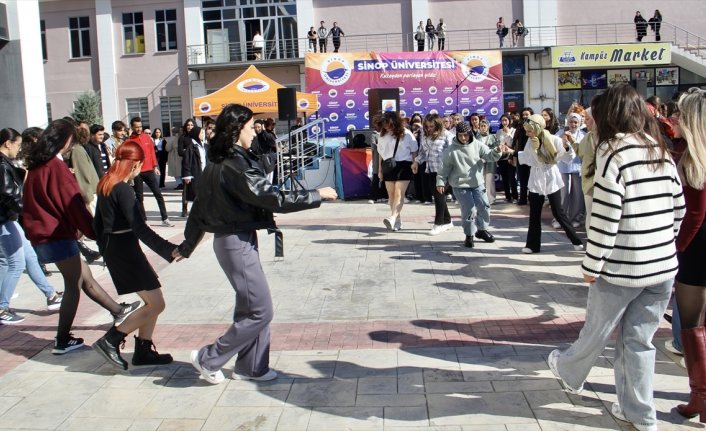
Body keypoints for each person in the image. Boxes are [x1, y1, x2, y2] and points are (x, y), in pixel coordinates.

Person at [547, 83, 685, 431]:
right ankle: (640, 416)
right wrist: (660, 242)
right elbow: (678, 209)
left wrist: (592, 265)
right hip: (662, 267)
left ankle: (567, 370)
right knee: (638, 343)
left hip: (623, 267)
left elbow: (607, 216)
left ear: (608, 116)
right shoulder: (659, 149)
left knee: (597, 331)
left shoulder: (613, 152)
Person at [178, 104, 336, 384]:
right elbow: (270, 197)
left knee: (251, 308)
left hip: (237, 240)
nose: (255, 132)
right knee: (262, 310)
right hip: (235, 242)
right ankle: (208, 358)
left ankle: (252, 367)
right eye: (251, 127)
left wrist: (188, 245)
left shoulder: (222, 160)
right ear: (238, 129)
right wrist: (316, 194)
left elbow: (199, 209)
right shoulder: (234, 165)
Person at [22, 119, 139, 354]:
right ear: (65, 140)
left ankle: (117, 310)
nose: (72, 145)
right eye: (72, 141)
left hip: (46, 235)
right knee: (74, 285)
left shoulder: (37, 166)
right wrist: (95, 232)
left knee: (84, 276)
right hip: (55, 235)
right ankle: (62, 340)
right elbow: (73, 204)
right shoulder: (55, 167)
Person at [91, 141, 180, 370]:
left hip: (117, 248)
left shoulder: (106, 184)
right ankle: (110, 340)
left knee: (153, 300)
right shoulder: (122, 189)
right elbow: (140, 228)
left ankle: (143, 350)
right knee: (156, 304)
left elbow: (96, 225)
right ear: (136, 164)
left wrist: (104, 250)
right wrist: (169, 249)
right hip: (124, 250)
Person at [0, 128, 63, 325]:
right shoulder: (1, 165)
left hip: (8, 218)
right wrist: (31, 209)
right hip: (4, 220)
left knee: (28, 256)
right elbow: (8, 194)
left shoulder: (6, 163)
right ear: (7, 143)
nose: (18, 148)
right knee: (15, 263)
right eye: (17, 144)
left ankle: (51, 295)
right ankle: (2, 308)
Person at [671, 88, 706, 422]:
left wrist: (677, 250)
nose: (675, 119)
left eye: (680, 113)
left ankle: (700, 398)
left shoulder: (693, 155)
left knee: (693, 326)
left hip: (696, 249)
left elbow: (695, 214)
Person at [517, 114, 583, 253]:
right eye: (527, 131)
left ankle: (576, 241)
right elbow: (530, 159)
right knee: (534, 213)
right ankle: (532, 245)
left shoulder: (554, 139)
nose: (528, 134)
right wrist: (515, 153)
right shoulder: (530, 142)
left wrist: (566, 147)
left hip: (552, 178)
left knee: (558, 212)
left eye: (530, 130)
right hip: (536, 179)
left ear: (538, 128)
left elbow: (567, 158)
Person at [436, 122, 509, 248]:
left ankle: (481, 230)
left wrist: (497, 150)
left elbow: (490, 155)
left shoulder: (477, 145)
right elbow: (444, 169)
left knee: (484, 206)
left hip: (477, 183)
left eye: (466, 135)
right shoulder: (450, 151)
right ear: (457, 135)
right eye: (460, 135)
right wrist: (440, 181)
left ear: (470, 133)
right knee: (469, 210)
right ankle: (469, 235)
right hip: (460, 185)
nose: (463, 138)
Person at [126, 117, 173, 227]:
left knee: (158, 194)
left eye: (140, 126)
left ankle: (165, 217)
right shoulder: (129, 141)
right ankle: (144, 220)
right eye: (136, 127)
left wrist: (155, 166)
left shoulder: (147, 137)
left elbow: (152, 153)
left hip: (149, 170)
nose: (139, 129)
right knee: (139, 197)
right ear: (132, 127)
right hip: (137, 172)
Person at [377, 111, 418, 231]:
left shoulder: (406, 133)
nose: (386, 126)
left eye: (388, 124)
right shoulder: (382, 134)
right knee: (391, 195)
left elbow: (414, 150)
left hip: (404, 165)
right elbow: (380, 153)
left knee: (399, 193)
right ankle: (397, 221)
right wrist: (379, 169)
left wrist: (415, 163)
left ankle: (392, 217)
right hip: (388, 165)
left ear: (394, 122)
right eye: (384, 124)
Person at [414, 113, 453, 234]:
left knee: (439, 195)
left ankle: (438, 224)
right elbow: (422, 153)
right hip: (430, 170)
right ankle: (447, 221)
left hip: (444, 171)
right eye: (427, 126)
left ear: (438, 125)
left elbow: (454, 153)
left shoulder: (447, 135)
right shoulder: (425, 136)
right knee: (437, 196)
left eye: (431, 126)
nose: (429, 129)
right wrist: (416, 162)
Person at [555, 112, 586, 229]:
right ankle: (559, 218)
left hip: (578, 167)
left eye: (575, 122)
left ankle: (576, 217)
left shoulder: (583, 135)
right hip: (563, 167)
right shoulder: (559, 134)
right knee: (564, 194)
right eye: (571, 122)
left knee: (577, 194)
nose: (573, 124)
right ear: (567, 122)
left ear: (579, 123)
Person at [181, 126, 206, 218]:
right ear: (196, 134)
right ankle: (197, 213)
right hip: (195, 173)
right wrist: (187, 175)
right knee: (196, 193)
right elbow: (186, 162)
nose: (203, 135)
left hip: (203, 172)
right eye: (201, 133)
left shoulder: (202, 145)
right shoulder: (191, 147)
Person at [513, 107, 534, 205]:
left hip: (531, 156)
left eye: (527, 114)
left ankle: (532, 198)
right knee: (522, 178)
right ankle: (523, 199)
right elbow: (514, 140)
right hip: (521, 155)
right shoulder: (519, 126)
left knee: (532, 178)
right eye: (523, 115)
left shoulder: (534, 127)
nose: (525, 116)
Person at [495, 114, 517, 203]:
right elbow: (498, 143)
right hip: (502, 157)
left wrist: (507, 133)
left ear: (509, 121)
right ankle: (508, 196)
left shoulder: (513, 131)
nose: (504, 122)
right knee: (505, 178)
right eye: (502, 120)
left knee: (512, 177)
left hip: (510, 157)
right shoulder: (498, 132)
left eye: (506, 120)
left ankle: (515, 196)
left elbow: (512, 144)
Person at [165, 127, 183, 192]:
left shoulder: (172, 139)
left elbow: (168, 148)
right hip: (181, 157)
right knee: (180, 171)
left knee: (176, 172)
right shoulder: (184, 137)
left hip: (174, 157)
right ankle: (182, 183)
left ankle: (180, 183)